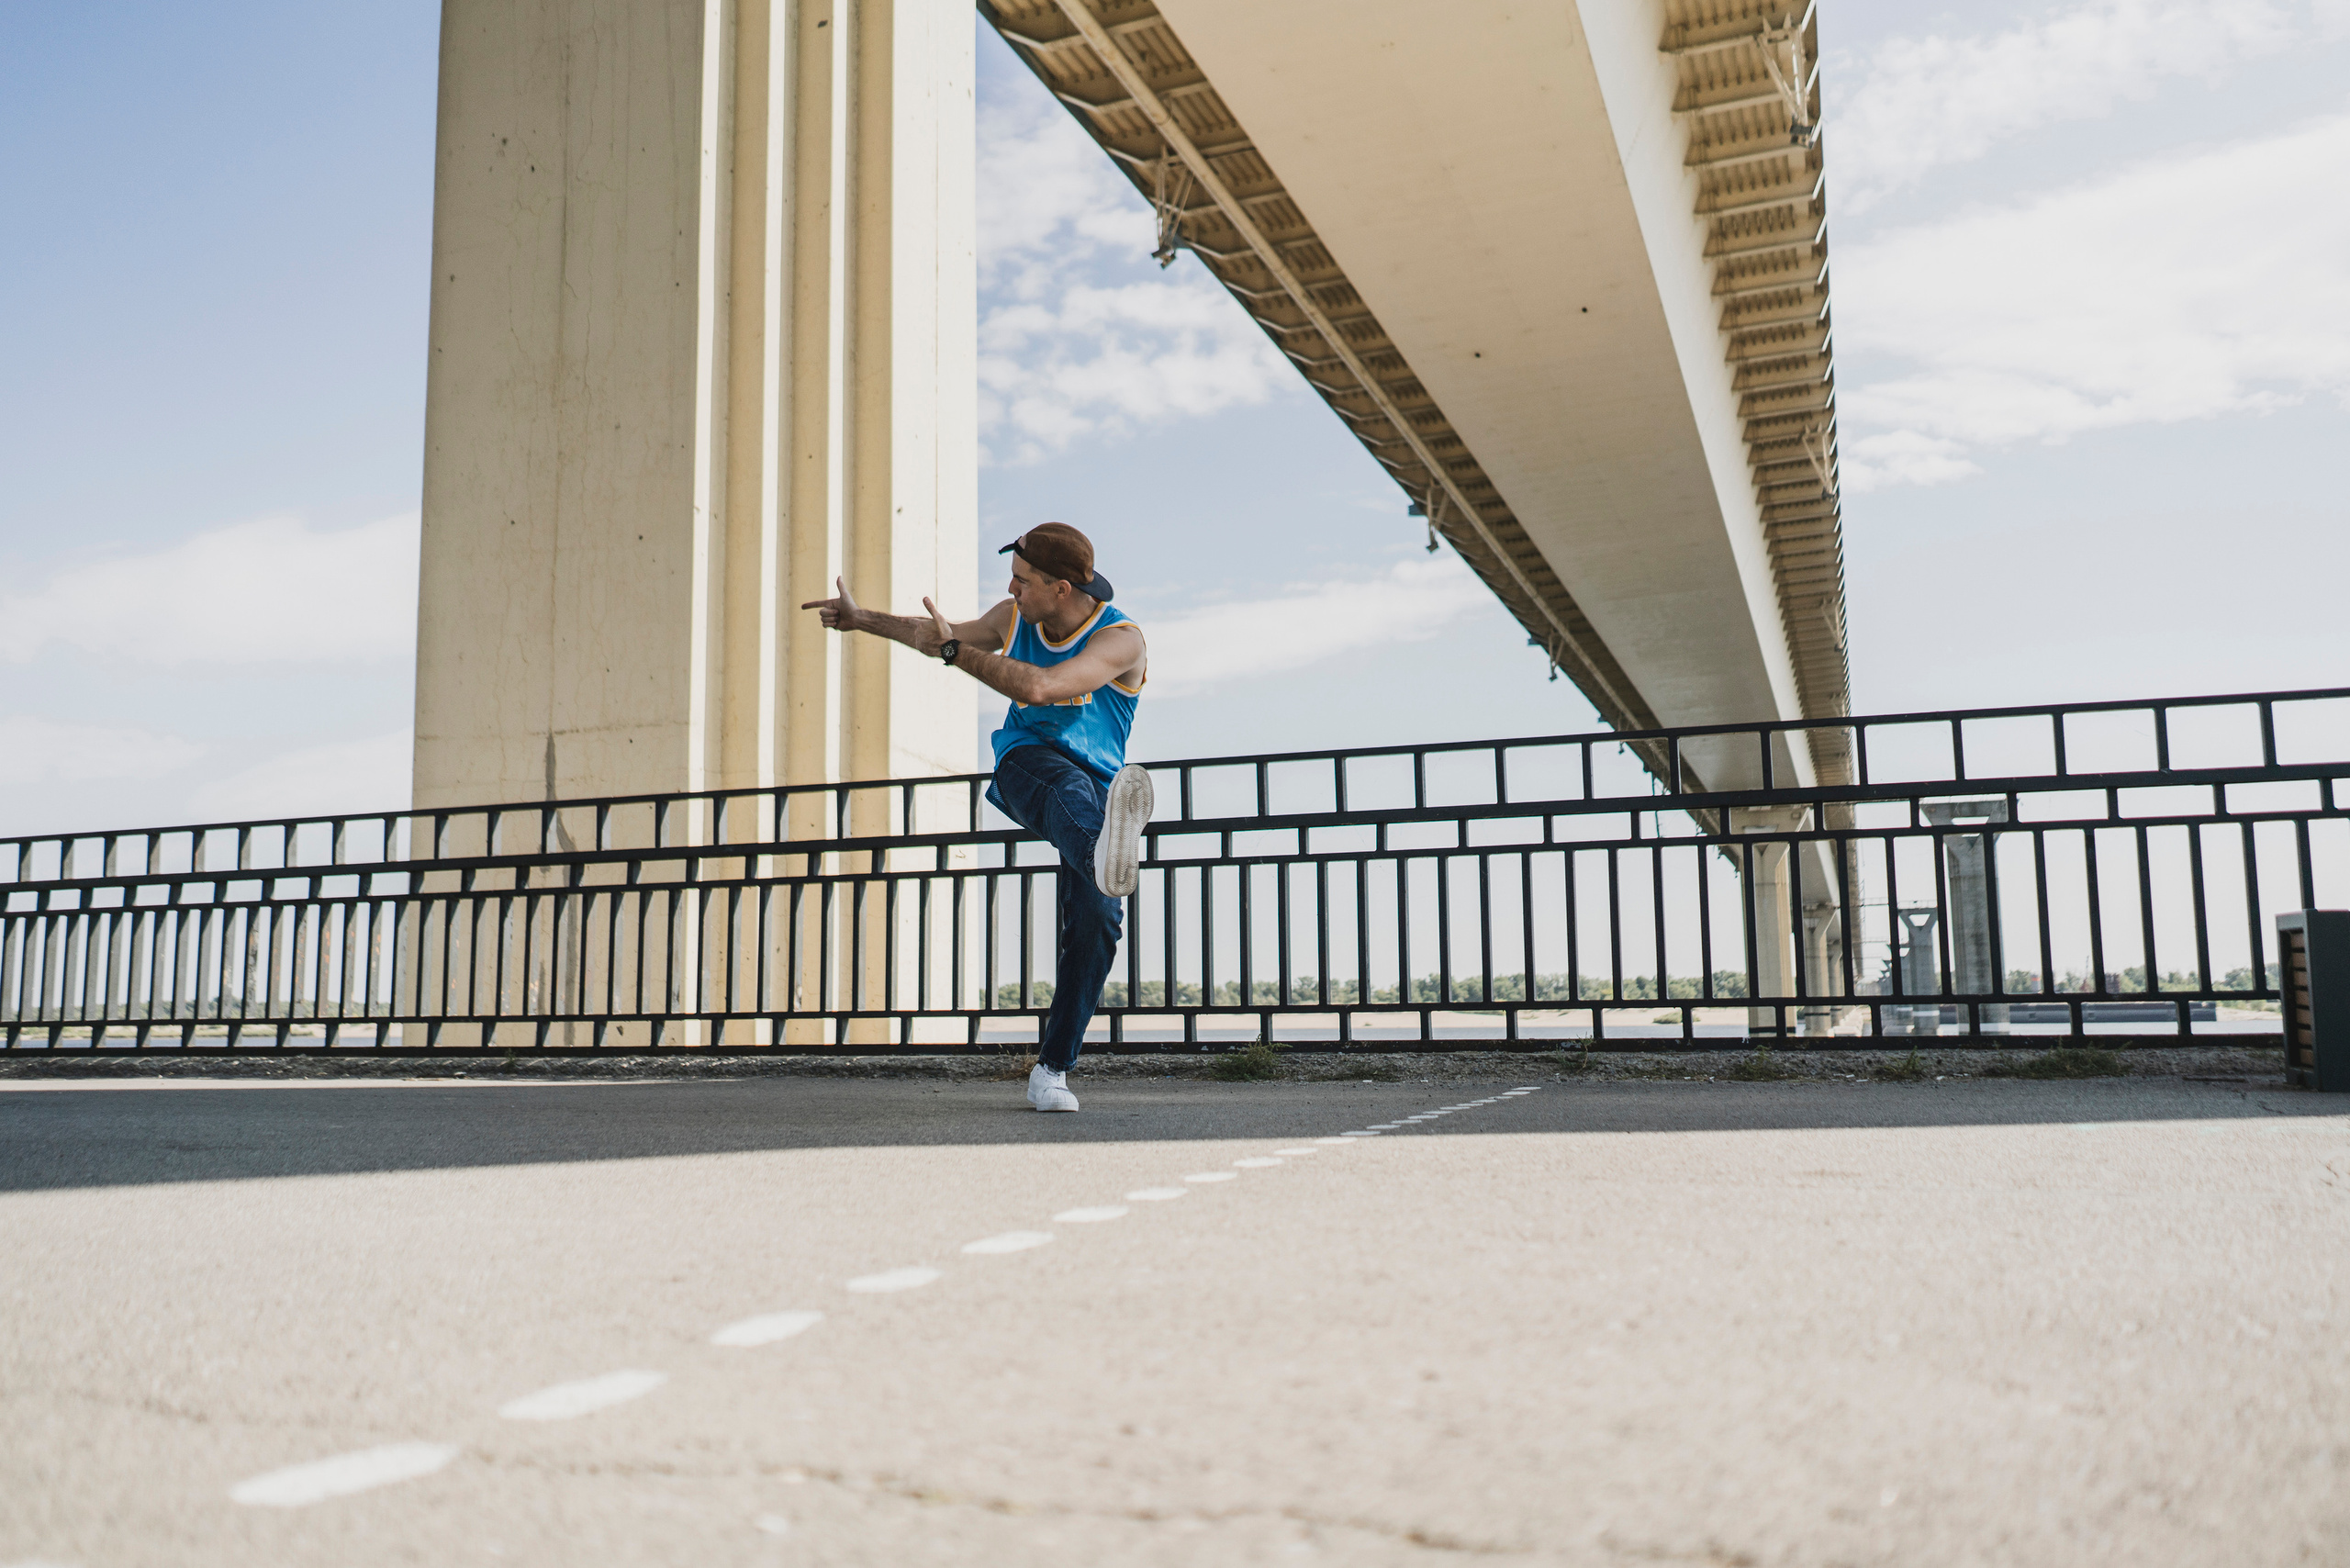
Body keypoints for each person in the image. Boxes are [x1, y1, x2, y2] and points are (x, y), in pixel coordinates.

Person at [801, 521, 1152, 1113]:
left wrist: (953, 653)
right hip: (1026, 765)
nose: (1011, 590)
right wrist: (863, 620)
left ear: (1062, 589)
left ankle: (1051, 1071)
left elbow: (1042, 686)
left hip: (1096, 795)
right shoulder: (1011, 619)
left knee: (1098, 919)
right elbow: (934, 634)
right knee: (1066, 789)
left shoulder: (1121, 641)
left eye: (1023, 581)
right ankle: (1103, 853)